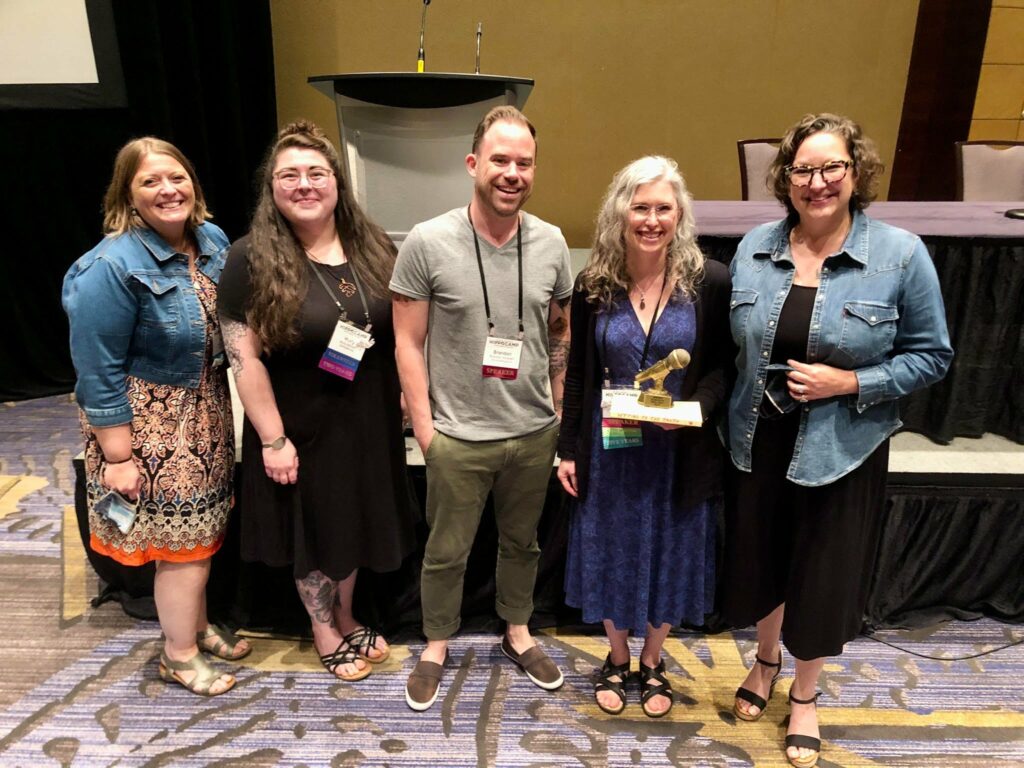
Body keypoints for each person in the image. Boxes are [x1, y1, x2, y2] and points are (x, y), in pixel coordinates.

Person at [722, 113, 953, 767]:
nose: (817, 182)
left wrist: (849, 380)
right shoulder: (753, 248)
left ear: (856, 173)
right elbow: (732, 346)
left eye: (832, 168)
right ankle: (765, 662)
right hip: (757, 436)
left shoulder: (901, 255)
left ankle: (805, 695)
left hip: (842, 446)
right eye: (803, 169)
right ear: (785, 177)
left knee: (820, 576)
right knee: (764, 562)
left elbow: (931, 356)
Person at [217, 120, 416, 683]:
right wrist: (272, 439)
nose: (304, 184)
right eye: (290, 175)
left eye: (316, 173)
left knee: (354, 521)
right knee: (316, 526)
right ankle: (323, 626)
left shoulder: (374, 245)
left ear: (336, 183)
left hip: (367, 420)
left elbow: (397, 332)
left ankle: (348, 613)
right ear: (272, 188)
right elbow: (244, 357)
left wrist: (402, 394)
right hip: (299, 425)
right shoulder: (248, 259)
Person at [392, 105, 573, 711]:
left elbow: (559, 335)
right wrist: (426, 428)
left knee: (522, 545)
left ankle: (517, 631)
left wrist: (558, 411)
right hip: (457, 434)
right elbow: (407, 343)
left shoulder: (550, 244)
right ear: (474, 164)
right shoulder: (427, 241)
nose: (512, 173)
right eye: (500, 160)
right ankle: (436, 642)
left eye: (524, 162)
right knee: (447, 549)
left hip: (532, 431)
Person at [63, 137, 248, 696]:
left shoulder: (211, 240)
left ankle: (192, 624)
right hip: (148, 428)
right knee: (180, 549)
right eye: (150, 182)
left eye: (177, 178)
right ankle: (179, 654)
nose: (168, 190)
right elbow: (96, 371)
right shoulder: (107, 267)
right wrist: (118, 456)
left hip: (206, 416)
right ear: (127, 195)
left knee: (202, 534)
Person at [556, 156, 732, 717]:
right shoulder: (594, 284)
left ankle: (652, 661)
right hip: (610, 450)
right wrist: (567, 448)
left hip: (678, 452)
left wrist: (692, 410)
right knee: (610, 549)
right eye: (641, 206)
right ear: (621, 212)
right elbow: (579, 373)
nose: (652, 219)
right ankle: (616, 656)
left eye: (663, 207)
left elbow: (724, 368)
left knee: (671, 552)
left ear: (679, 215)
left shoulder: (712, 281)